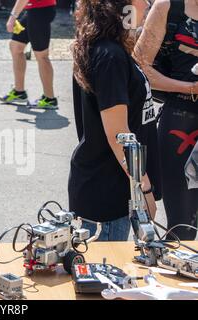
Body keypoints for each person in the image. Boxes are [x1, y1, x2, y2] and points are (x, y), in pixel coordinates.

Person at [69, 0, 161, 241]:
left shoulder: (110, 50)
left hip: (113, 183)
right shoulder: (109, 55)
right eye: (144, 0)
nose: (149, 5)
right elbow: (119, 135)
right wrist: (145, 189)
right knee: (104, 273)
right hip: (108, 190)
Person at [134, 0, 198, 240]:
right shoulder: (168, 7)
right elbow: (139, 67)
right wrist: (191, 87)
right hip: (181, 123)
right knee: (183, 226)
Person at [0, 0, 58, 109]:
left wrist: (12, 17)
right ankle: (19, 92)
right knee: (15, 46)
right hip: (33, 10)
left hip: (40, 10)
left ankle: (50, 99)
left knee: (42, 55)